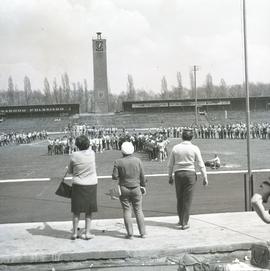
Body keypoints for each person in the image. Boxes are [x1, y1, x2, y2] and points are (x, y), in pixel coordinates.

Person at [168, 128, 208, 230]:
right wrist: (205, 177)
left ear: (182, 137)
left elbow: (170, 164)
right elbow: (200, 163)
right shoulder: (194, 148)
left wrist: (170, 176)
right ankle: (184, 222)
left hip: (178, 174)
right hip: (190, 174)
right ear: (191, 137)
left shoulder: (176, 148)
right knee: (187, 199)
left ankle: (181, 220)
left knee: (180, 198)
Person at [112, 141, 146, 239]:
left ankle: (130, 233)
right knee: (138, 210)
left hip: (124, 187)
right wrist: (143, 186)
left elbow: (114, 176)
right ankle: (143, 233)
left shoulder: (118, 161)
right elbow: (142, 176)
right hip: (136, 187)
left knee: (127, 210)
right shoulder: (138, 160)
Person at [67, 135, 98, 240]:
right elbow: (87, 149)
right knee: (88, 210)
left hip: (78, 184)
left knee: (76, 210)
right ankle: (87, 232)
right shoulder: (92, 153)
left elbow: (70, 171)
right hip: (91, 183)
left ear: (77, 145)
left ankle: (74, 233)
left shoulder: (74, 155)